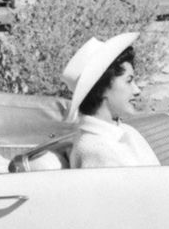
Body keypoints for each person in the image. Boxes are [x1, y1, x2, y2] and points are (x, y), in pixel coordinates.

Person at [63, 32, 161, 168]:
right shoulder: (97, 151)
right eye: (129, 81)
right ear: (103, 89)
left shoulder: (120, 133)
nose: (137, 90)